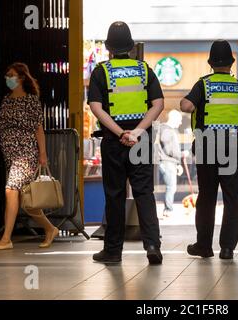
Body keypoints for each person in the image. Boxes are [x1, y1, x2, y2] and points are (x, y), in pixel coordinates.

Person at [180, 40, 238, 260]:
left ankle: (204, 246)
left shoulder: (203, 85)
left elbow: (186, 106)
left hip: (207, 146)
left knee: (207, 197)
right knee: (231, 197)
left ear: (210, 64)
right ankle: (227, 248)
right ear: (231, 63)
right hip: (234, 147)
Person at [88, 22, 164, 264]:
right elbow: (158, 104)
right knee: (144, 193)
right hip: (140, 142)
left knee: (115, 195)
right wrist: (138, 131)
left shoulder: (101, 72)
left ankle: (113, 251)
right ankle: (152, 245)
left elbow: (96, 108)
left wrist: (121, 133)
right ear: (130, 47)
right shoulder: (144, 70)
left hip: (114, 141)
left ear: (109, 48)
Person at [0, 62, 59, 250]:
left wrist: (43, 154)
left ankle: (6, 239)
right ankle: (50, 229)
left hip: (26, 153)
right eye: (7, 75)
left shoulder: (31, 100)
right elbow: (2, 125)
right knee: (28, 202)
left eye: (11, 75)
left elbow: (38, 128)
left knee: (11, 189)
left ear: (21, 78)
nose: (7, 78)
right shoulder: (7, 100)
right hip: (10, 154)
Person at [157, 110, 185, 219]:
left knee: (171, 187)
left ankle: (168, 209)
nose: (181, 123)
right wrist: (181, 154)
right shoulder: (167, 130)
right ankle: (168, 210)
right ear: (174, 119)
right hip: (167, 162)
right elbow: (170, 150)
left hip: (169, 162)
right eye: (180, 120)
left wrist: (178, 164)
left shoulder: (167, 130)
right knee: (171, 187)